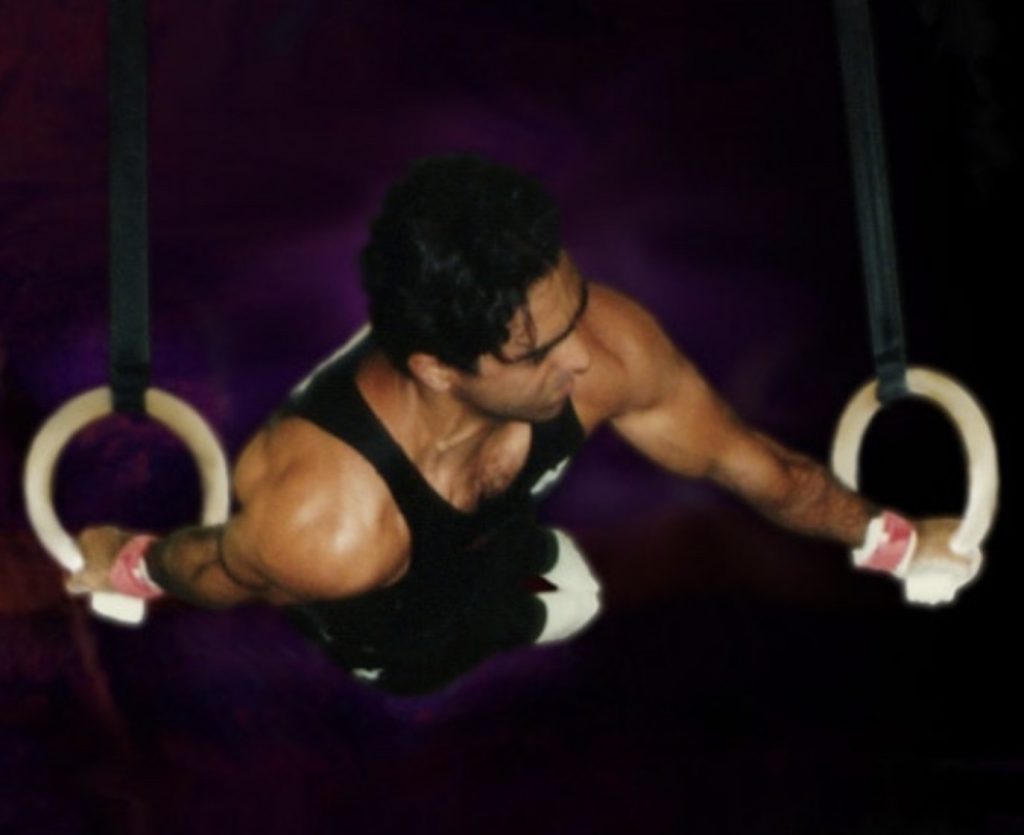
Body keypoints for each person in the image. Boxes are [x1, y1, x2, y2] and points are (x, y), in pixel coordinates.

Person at [69, 153, 978, 695]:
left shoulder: (603, 343)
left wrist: (892, 537)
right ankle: (491, 598)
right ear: (439, 367)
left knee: (571, 585)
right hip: (391, 622)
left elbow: (761, 470)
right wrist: (131, 558)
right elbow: (222, 569)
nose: (580, 360)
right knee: (530, 612)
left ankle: (513, 557)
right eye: (538, 351)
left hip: (466, 497)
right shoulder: (326, 528)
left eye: (572, 305)